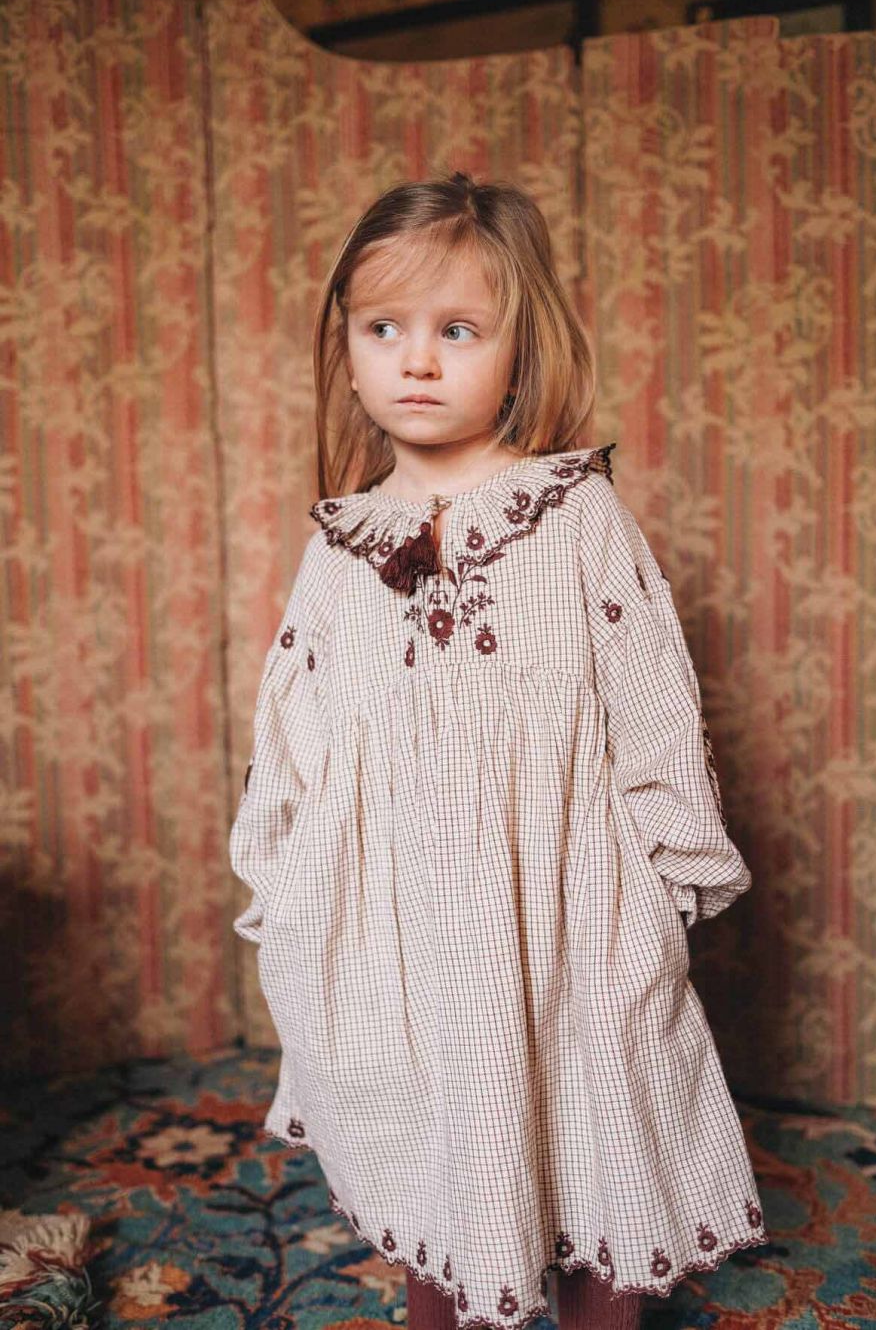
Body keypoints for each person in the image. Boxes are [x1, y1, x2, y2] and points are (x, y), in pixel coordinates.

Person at [228, 171, 769, 1330]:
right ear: (347, 350)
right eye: (385, 329)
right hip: (404, 933)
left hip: (569, 917)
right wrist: (286, 887)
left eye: (458, 331)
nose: (417, 361)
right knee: (434, 1151)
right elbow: (293, 742)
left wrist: (667, 881)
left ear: (519, 353)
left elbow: (653, 702)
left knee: (593, 1137)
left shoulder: (571, 516)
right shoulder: (339, 551)